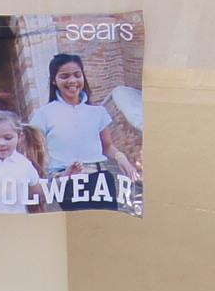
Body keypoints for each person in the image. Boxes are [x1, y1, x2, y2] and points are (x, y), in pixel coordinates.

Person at [30, 52, 139, 210]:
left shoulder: (97, 112)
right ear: (54, 81)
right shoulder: (44, 114)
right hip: (69, 181)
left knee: (109, 230)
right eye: (64, 76)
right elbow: (35, 150)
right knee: (82, 230)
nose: (72, 81)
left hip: (100, 178)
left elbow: (107, 146)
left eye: (77, 75)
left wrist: (122, 159)